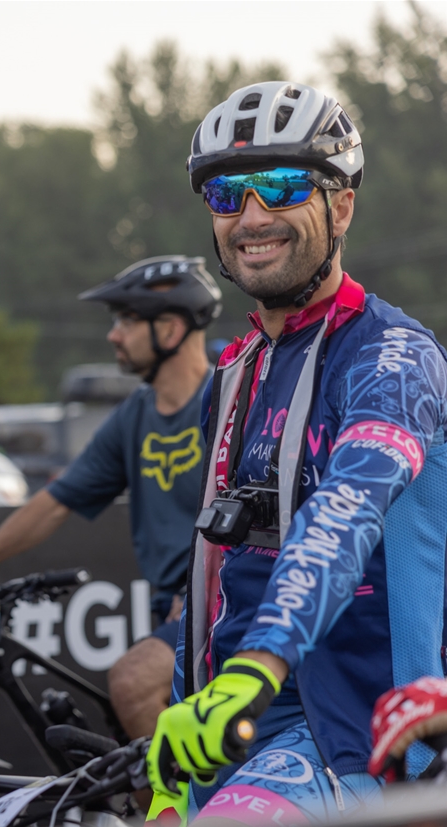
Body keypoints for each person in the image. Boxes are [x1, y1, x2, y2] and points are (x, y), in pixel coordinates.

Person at [144, 81, 447, 824]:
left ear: (341, 205)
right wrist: (184, 730)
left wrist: (261, 662)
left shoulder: (392, 359)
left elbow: (343, 514)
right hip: (242, 724)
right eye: (226, 195)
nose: (252, 217)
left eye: (281, 187)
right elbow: (221, 572)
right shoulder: (237, 368)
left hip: (367, 730)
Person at [0, 255, 222, 740]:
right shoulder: (133, 416)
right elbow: (55, 502)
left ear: (173, 326)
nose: (113, 335)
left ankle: (180, 816)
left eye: (126, 320)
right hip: (179, 613)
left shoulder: (233, 391)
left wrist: (201, 587)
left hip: (230, 602)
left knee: (133, 684)